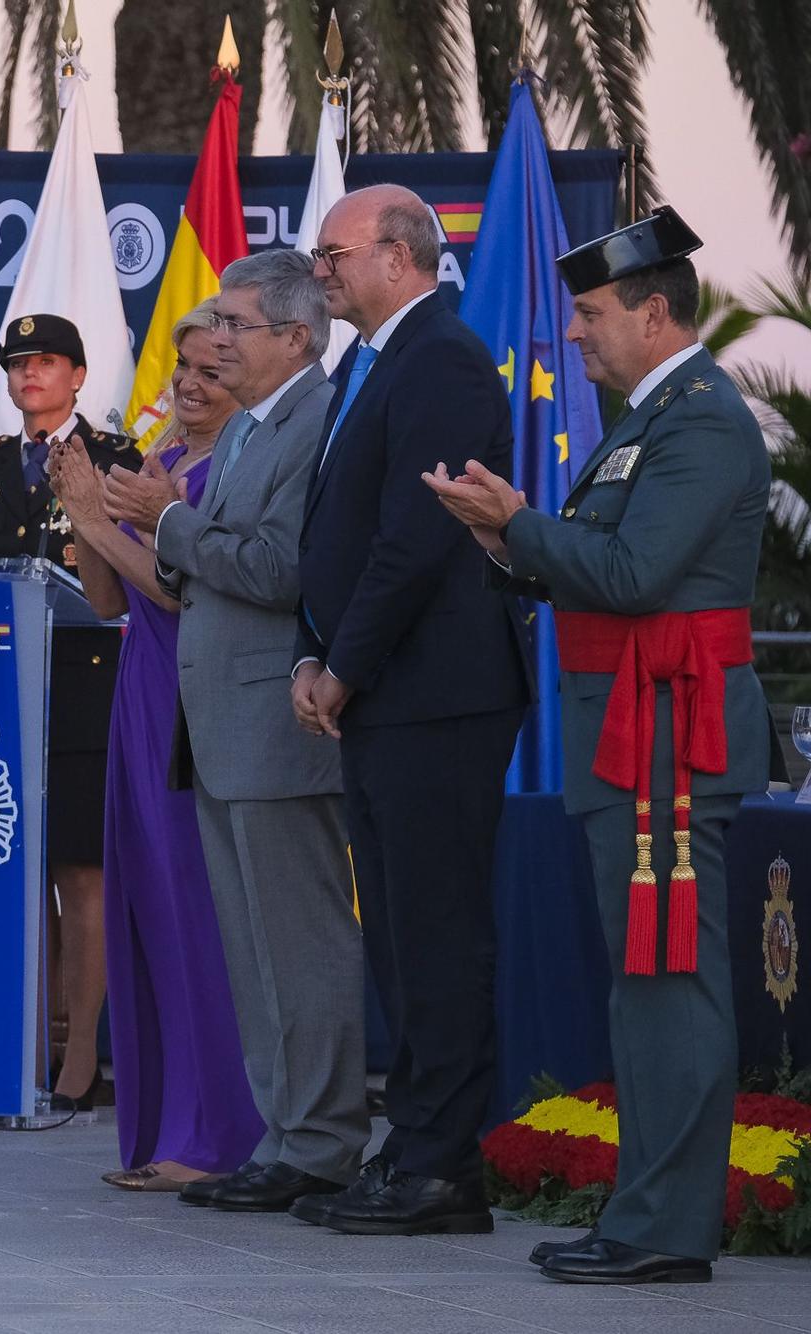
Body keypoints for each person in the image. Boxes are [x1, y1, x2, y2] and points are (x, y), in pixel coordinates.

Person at [426, 207, 771, 1285]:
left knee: (667, 980)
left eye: (587, 314)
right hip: (634, 728)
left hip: (667, 732)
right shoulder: (651, 418)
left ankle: (665, 1226)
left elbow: (630, 577)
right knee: (643, 978)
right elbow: (600, 564)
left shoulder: (698, 419)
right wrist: (506, 534)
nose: (570, 335)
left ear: (652, 312)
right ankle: (646, 1211)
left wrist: (519, 520)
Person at [94, 252, 365, 1211]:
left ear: (295, 338)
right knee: (253, 948)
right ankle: (283, 1136)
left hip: (275, 715)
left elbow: (278, 568)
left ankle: (323, 1140)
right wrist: (131, 522)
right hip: (214, 718)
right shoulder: (253, 429)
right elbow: (190, 576)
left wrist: (164, 517)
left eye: (237, 327)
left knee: (299, 940)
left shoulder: (314, 422)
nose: (218, 341)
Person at [290, 184, 528, 1236]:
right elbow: (335, 534)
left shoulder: (437, 358)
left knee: (432, 934)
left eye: (332, 252)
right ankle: (413, 1146)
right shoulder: (373, 364)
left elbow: (415, 539)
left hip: (433, 696)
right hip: (384, 696)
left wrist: (339, 665)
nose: (319, 268)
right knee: (394, 932)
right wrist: (315, 651)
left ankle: (440, 1166)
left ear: (396, 255)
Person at [48, 300, 263, 1191]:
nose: (192, 383)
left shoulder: (238, 465)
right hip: (136, 690)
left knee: (192, 914)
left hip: (194, 695)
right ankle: (159, 1127)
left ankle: (217, 1136)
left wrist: (102, 521)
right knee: (140, 909)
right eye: (184, 368)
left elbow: (179, 594)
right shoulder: (158, 457)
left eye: (214, 369)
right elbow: (108, 599)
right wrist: (84, 513)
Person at [0, 313, 133, 1110]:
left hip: (87, 686)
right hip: (5, 687)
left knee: (82, 875)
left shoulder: (118, 460)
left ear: (79, 377)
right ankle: (30, 1040)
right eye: (18, 363)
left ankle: (84, 1052)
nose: (31, 375)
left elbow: (129, 580)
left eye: (48, 362)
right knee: (23, 876)